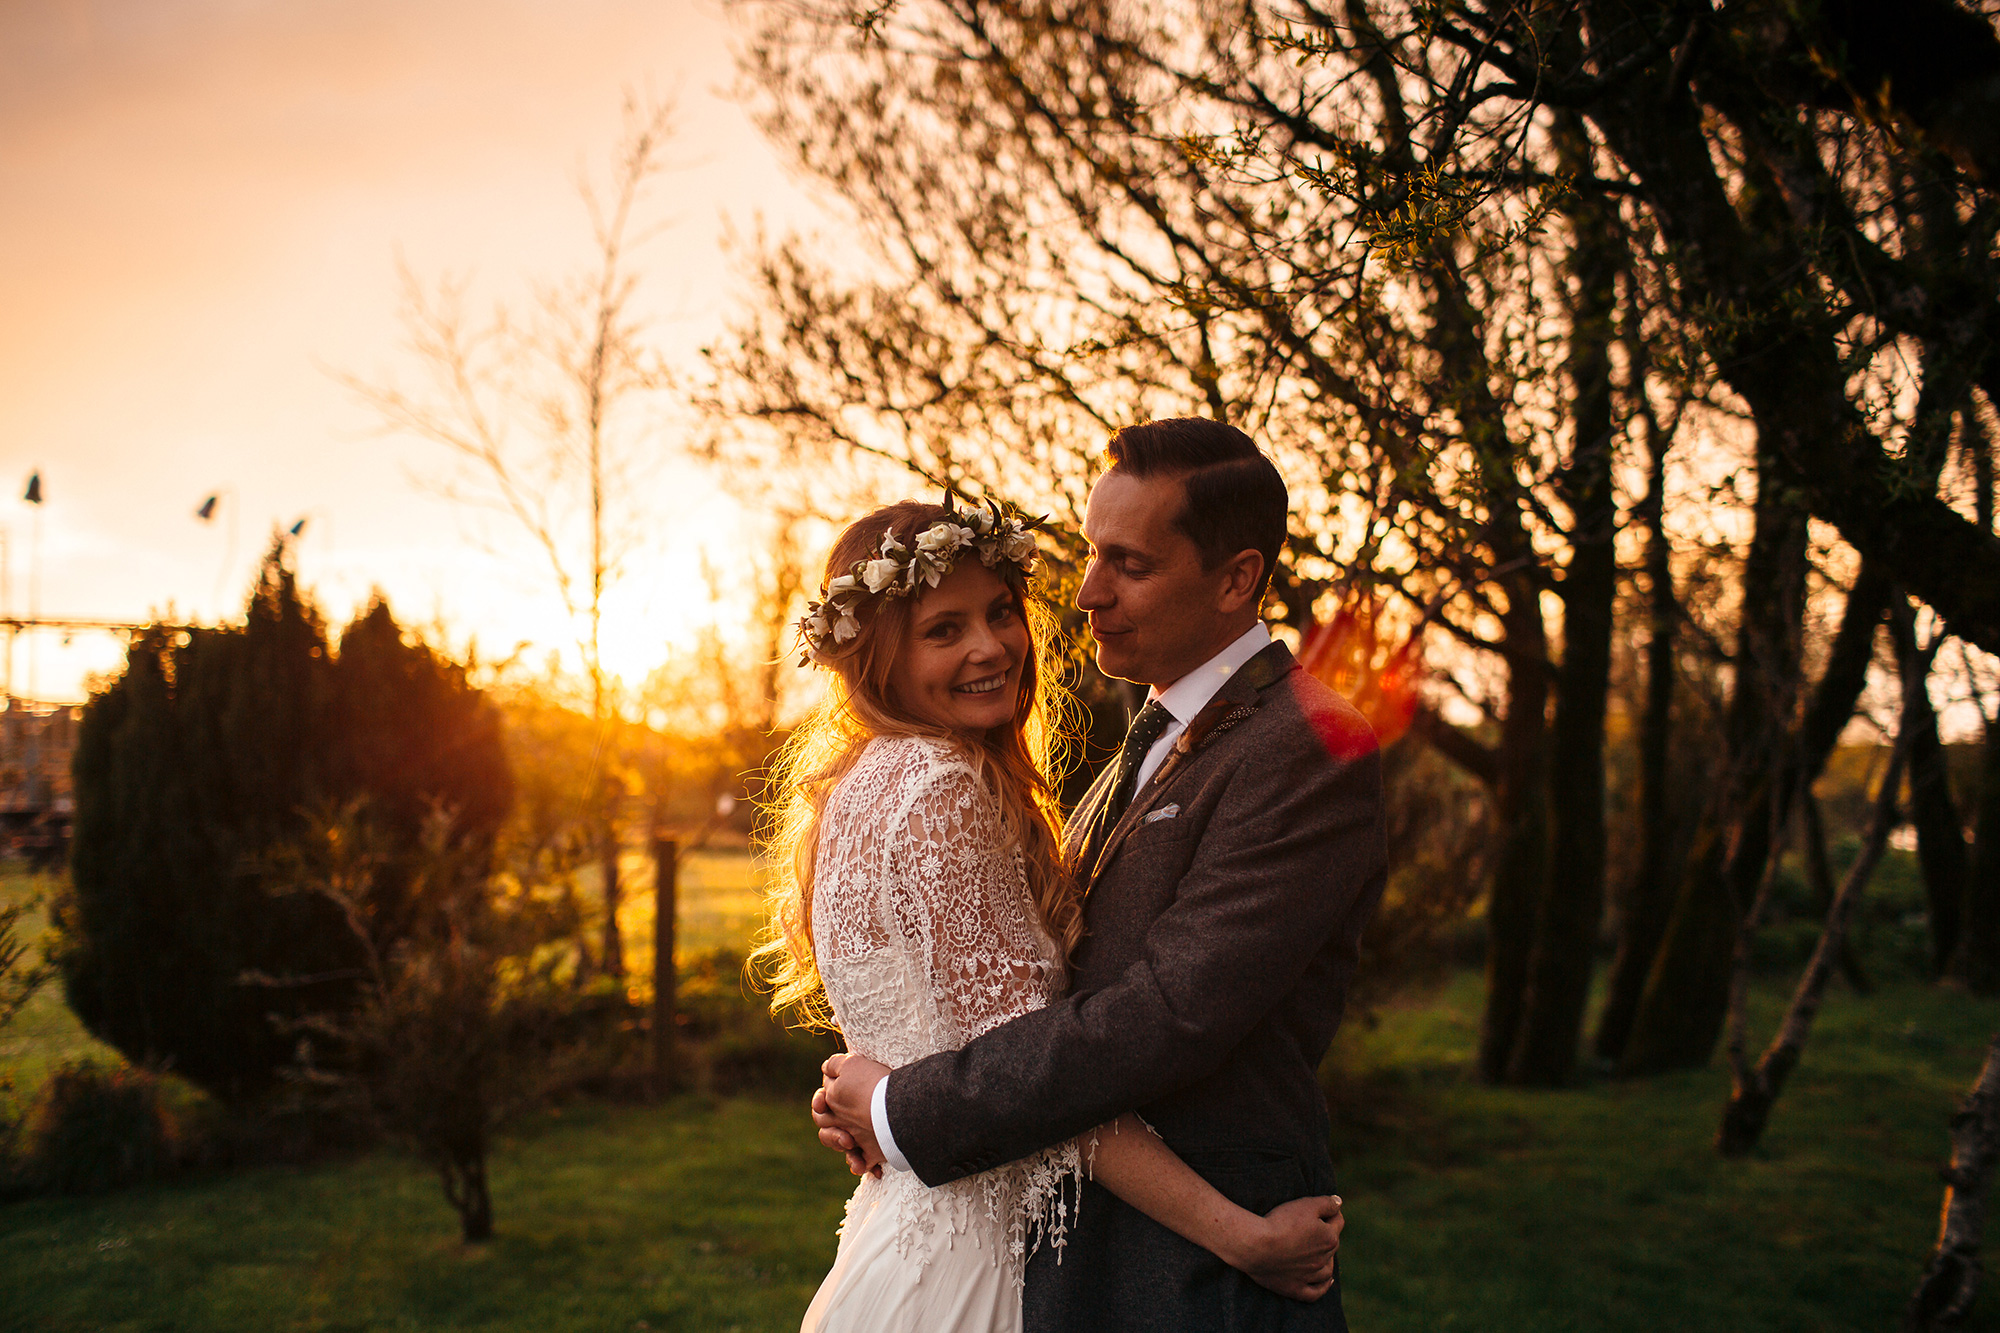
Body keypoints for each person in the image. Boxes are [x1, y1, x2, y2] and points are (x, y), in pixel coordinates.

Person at [813, 419, 1389, 1332]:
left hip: (1208, 1277)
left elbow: (1168, 1013)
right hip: (1073, 1252)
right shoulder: (1140, 738)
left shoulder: (1310, 746)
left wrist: (903, 1104)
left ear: (1237, 578)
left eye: (1130, 563)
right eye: (1090, 553)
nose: (1085, 593)